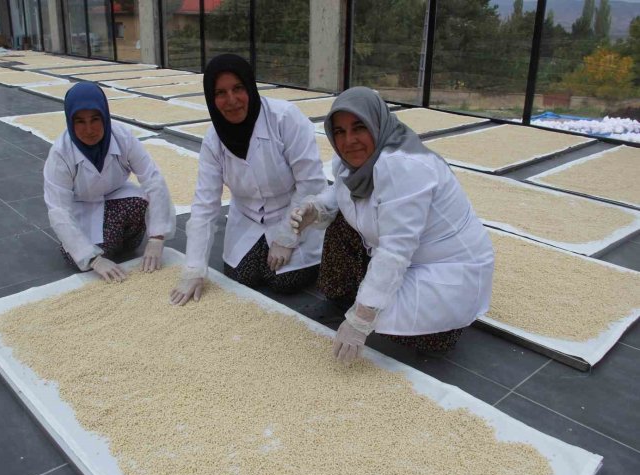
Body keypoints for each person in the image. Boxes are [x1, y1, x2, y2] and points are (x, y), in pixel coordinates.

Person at [290, 87, 494, 363]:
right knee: (339, 224)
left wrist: (361, 319)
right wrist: (315, 210)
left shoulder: (404, 167)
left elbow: (396, 249)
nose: (348, 140)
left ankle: (447, 325)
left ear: (377, 123)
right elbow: (339, 193)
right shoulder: (351, 162)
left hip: (447, 266)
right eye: (339, 132)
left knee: (411, 334)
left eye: (358, 127)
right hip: (407, 254)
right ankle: (353, 295)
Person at [169, 54, 327, 305]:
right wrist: (194, 269)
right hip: (248, 216)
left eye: (238, 88)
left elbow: (311, 183)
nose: (231, 100)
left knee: (283, 280)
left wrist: (287, 236)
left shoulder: (285, 119)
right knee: (241, 276)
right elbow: (205, 204)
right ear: (211, 98)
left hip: (294, 211)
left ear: (250, 87)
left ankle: (307, 252)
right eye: (220, 93)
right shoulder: (214, 140)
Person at [44, 82, 175, 282]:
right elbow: (58, 210)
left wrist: (157, 237)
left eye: (95, 119)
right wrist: (94, 259)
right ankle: (103, 250)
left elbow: (153, 179)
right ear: (70, 121)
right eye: (80, 121)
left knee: (141, 202)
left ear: (105, 116)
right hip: (81, 205)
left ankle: (122, 243)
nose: (89, 129)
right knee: (81, 258)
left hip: (115, 195)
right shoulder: (61, 154)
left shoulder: (123, 138)